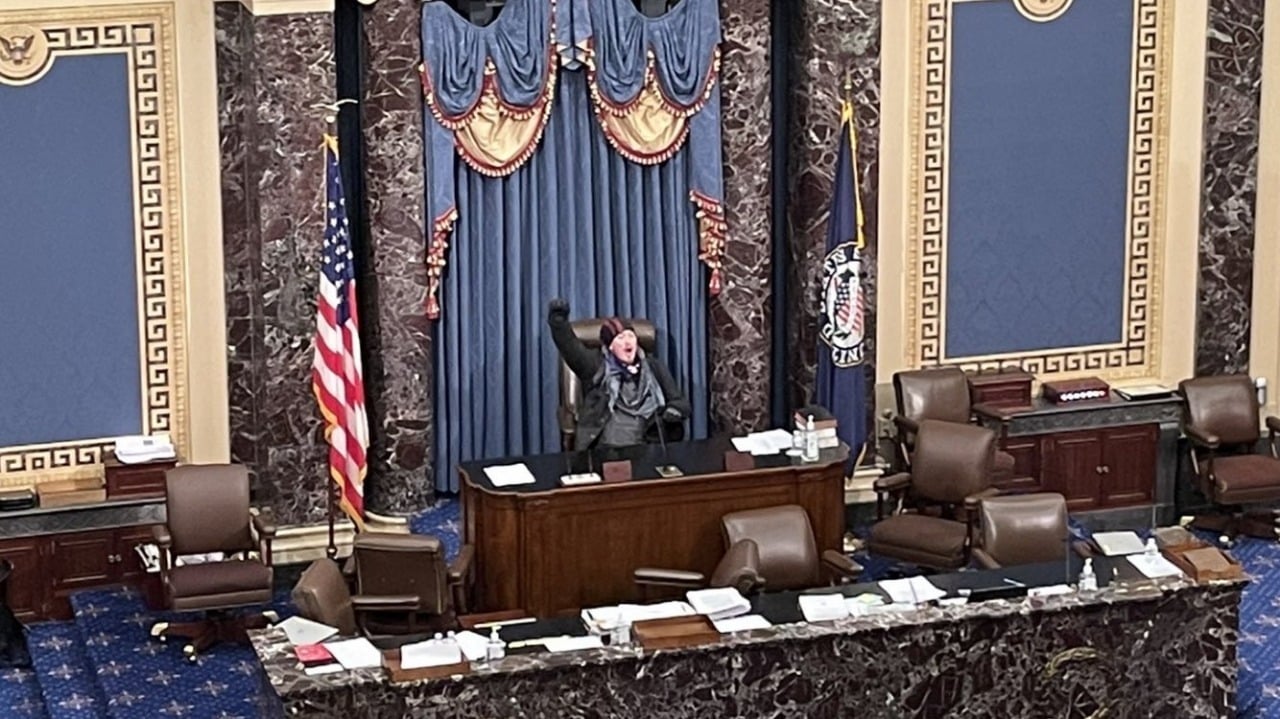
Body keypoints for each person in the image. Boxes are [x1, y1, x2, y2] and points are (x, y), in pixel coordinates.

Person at [548, 298, 690, 450]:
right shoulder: (596, 365)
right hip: (609, 447)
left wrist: (673, 411)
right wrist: (558, 321)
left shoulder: (654, 367)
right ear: (610, 346)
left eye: (631, 336)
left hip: (648, 443)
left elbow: (680, 402)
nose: (628, 342)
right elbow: (570, 348)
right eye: (620, 338)